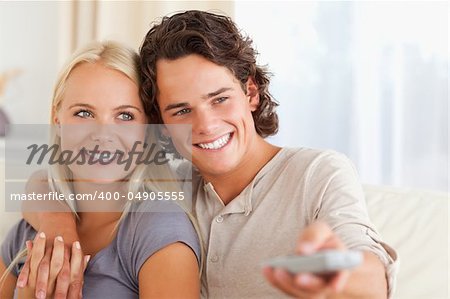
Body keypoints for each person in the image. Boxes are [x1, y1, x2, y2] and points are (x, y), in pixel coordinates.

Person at [20, 10, 397, 298]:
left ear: (250, 93)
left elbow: (371, 272)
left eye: (220, 99)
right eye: (181, 110)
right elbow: (46, 182)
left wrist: (336, 270)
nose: (205, 125)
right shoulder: (173, 182)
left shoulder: (316, 173)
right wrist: (60, 230)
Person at [0, 41, 201, 299]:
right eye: (83, 113)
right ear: (57, 120)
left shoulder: (158, 229)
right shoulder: (31, 230)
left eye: (125, 116)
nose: (103, 135)